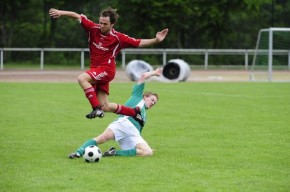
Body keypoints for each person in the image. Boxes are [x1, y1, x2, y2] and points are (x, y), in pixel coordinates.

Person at [48, 7, 168, 120]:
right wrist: (61, 13)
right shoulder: (92, 28)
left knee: (82, 78)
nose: (101, 26)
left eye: (105, 24)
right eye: (100, 22)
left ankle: (96, 109)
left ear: (112, 24)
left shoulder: (118, 38)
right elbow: (77, 16)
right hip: (97, 70)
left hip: (106, 70)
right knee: (105, 106)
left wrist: (156, 40)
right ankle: (134, 113)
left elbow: (139, 42)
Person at [69, 67, 162, 158]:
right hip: (123, 124)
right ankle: (78, 152)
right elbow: (144, 76)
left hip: (133, 134)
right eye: (152, 99)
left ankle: (113, 153)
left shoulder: (144, 115)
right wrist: (155, 73)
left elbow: (138, 131)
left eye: (155, 102)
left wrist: (142, 145)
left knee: (148, 152)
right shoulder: (137, 96)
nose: (153, 103)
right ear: (145, 96)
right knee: (101, 139)